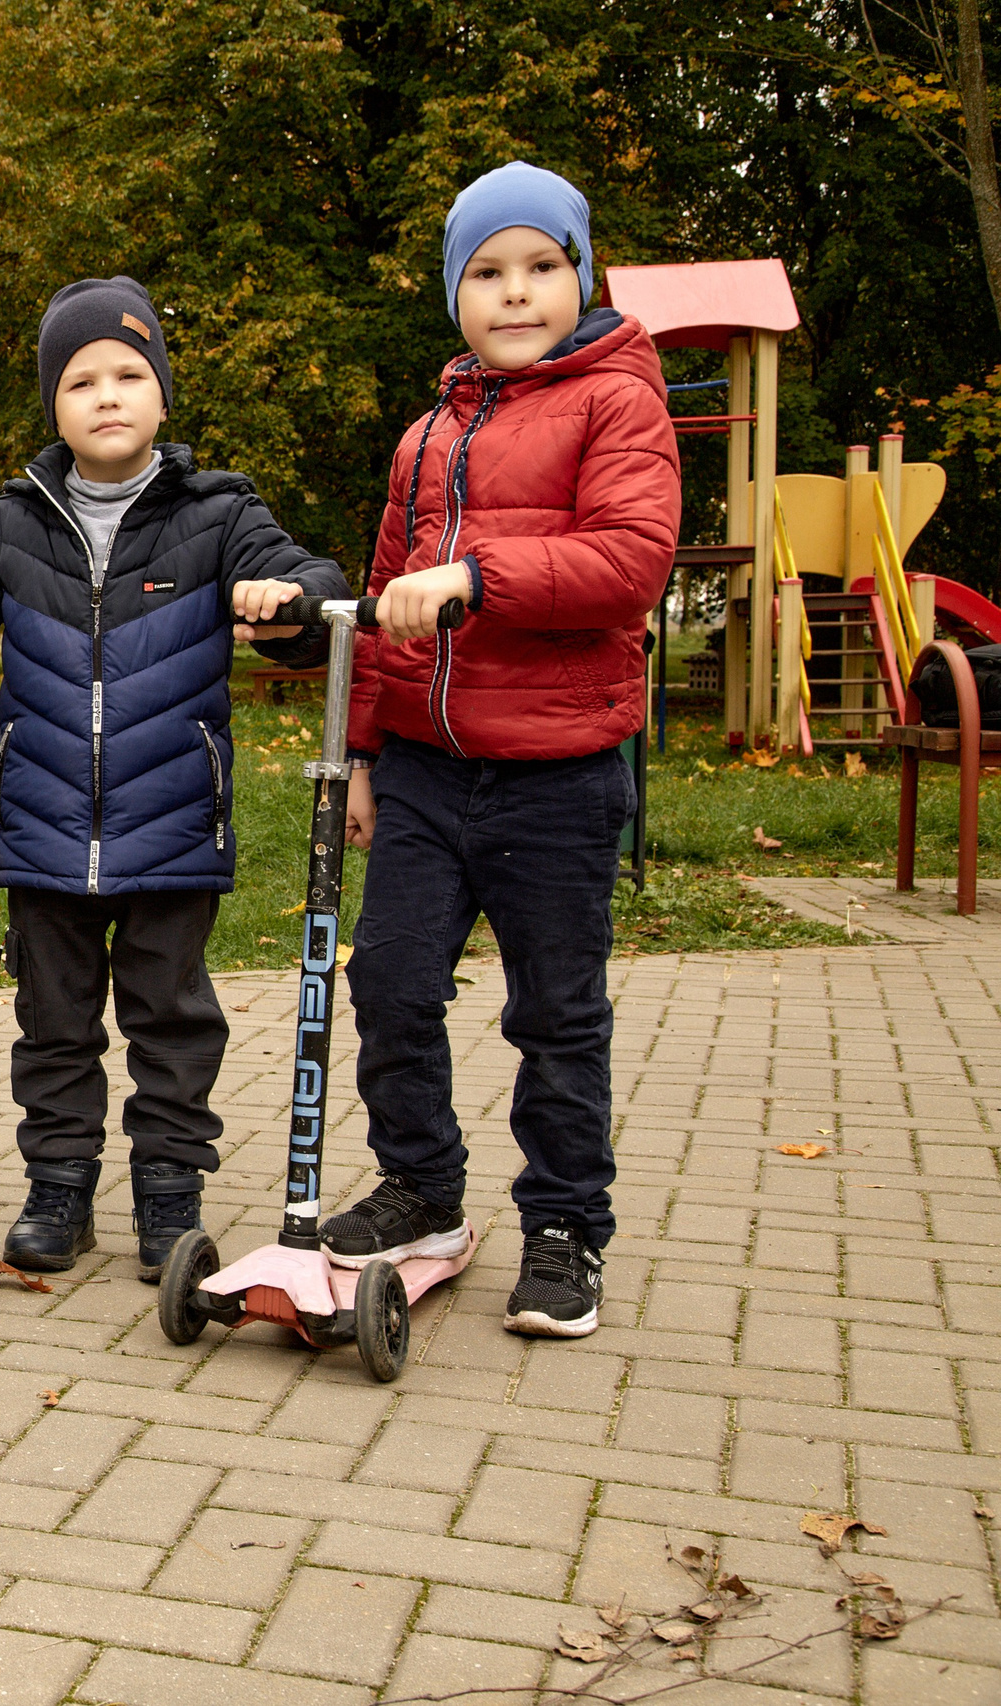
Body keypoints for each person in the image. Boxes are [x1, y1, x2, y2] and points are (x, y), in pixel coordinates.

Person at [0, 276, 346, 1278]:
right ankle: (58, 1190)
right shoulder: (7, 525)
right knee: (53, 1026)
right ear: (54, 406)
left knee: (172, 1025)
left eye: (129, 373)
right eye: (81, 380)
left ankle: (169, 1196)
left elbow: (314, 590)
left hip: (170, 826)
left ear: (161, 394)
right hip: (41, 827)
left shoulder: (217, 511)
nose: (107, 394)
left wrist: (286, 599)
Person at [328, 161, 680, 1337]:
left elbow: (629, 559)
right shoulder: (425, 436)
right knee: (386, 978)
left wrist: (477, 576)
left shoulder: (618, 403)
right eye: (485, 272)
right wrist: (368, 749)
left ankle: (566, 1225)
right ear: (453, 291)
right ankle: (422, 1185)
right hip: (427, 770)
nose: (514, 293)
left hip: (560, 772)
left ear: (579, 277)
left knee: (556, 1012)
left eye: (540, 266)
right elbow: (385, 598)